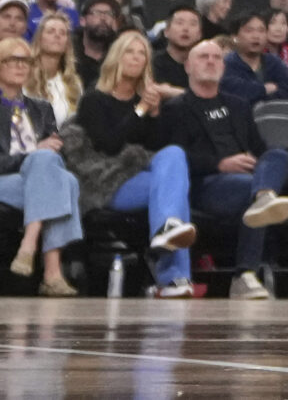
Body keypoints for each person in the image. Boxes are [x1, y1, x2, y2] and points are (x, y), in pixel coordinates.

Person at [155, 38, 288, 299]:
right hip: (205, 183)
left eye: (217, 57)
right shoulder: (175, 109)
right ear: (188, 66)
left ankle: (264, 194)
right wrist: (220, 164)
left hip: (248, 177)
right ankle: (245, 275)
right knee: (250, 194)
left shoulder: (239, 105)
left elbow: (259, 148)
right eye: (203, 57)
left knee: (277, 155)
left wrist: (257, 163)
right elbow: (173, 160)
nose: (211, 62)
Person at [71, 30, 202, 298]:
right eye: (129, 51)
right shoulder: (94, 100)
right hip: (106, 181)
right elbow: (109, 144)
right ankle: (173, 277)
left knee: (174, 156)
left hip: (140, 176)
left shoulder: (146, 101)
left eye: (141, 53)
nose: (136, 57)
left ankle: (167, 232)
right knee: (174, 192)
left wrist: (154, 116)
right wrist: (141, 110)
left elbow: (156, 149)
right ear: (117, 57)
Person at [0, 35, 83, 294]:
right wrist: (31, 155)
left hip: (40, 181)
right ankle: (51, 271)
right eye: (13, 60)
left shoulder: (42, 108)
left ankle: (29, 244)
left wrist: (39, 156)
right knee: (62, 179)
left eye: (27, 61)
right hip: (1, 181)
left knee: (65, 177)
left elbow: (57, 156)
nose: (21, 66)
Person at [221, 12, 288, 105]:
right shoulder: (226, 64)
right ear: (235, 37)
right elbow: (232, 92)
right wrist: (265, 89)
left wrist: (257, 96)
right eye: (249, 30)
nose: (256, 36)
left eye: (261, 31)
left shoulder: (274, 62)